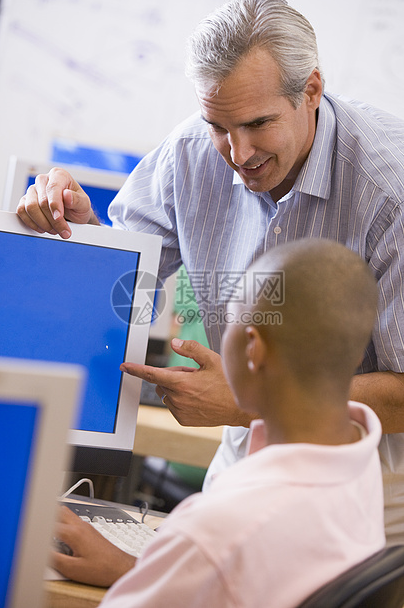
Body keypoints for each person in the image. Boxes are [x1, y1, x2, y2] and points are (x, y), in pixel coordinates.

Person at [17, 0, 404, 545]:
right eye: (219, 126)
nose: (239, 153)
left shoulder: (389, 188)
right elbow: (124, 289)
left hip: (376, 473)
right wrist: (83, 232)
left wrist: (252, 400)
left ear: (312, 90)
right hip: (250, 448)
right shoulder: (188, 154)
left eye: (258, 123)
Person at [53, 239, 385, 607]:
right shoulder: (360, 461)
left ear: (252, 350)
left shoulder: (216, 531)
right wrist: (149, 567)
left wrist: (148, 566)